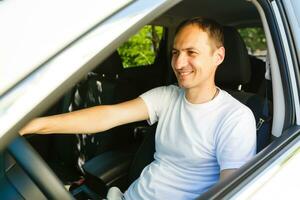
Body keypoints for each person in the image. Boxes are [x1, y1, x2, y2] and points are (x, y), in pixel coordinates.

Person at [20, 17, 256, 200]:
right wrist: (37, 124)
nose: (179, 63)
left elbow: (232, 190)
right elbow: (108, 115)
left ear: (219, 56)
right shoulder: (168, 95)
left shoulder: (235, 117)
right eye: (175, 53)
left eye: (191, 52)